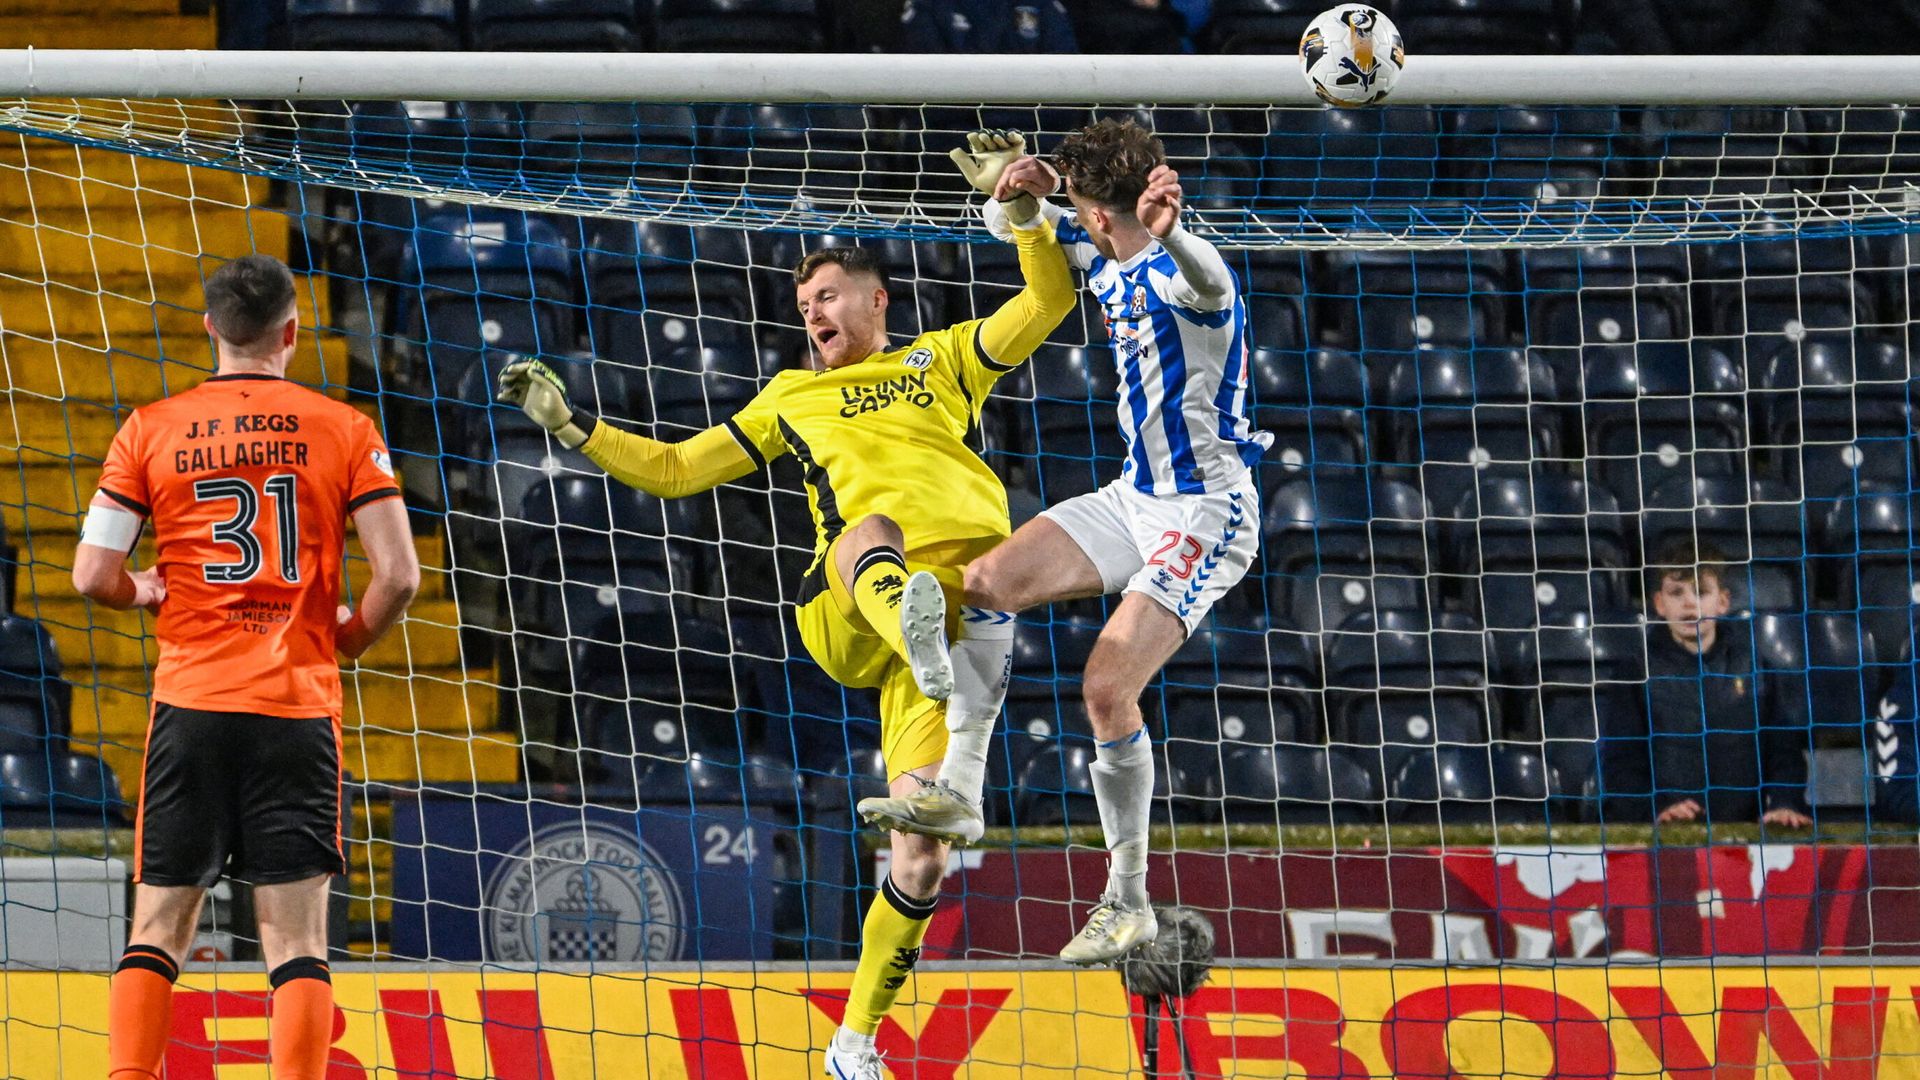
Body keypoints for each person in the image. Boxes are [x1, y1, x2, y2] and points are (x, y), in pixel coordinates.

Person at [496, 129, 1074, 1080]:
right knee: (868, 531)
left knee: (920, 852)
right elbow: (681, 468)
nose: (812, 313)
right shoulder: (790, 396)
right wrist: (574, 425)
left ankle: (852, 1046)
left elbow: (1050, 298)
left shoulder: (944, 361)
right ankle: (914, 621)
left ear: (876, 298)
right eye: (803, 304)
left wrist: (1019, 211)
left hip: (959, 614)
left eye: (827, 296)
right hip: (850, 604)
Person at [74, 254, 420, 1080]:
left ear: (210, 331)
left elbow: (91, 574)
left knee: (157, 931)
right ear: (293, 333)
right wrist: (352, 638)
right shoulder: (345, 427)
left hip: (190, 704)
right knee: (296, 944)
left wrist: (141, 591)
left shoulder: (149, 426)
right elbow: (400, 574)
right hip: (296, 707)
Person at [935, 118, 1268, 965]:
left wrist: (1176, 233)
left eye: (1081, 209)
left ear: (1101, 214)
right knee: (986, 581)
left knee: (1106, 690)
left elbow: (1206, 285)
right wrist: (1017, 191)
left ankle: (1128, 901)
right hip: (1135, 495)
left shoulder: (1190, 268)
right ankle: (960, 791)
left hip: (1204, 511)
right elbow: (1020, 235)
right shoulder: (1106, 258)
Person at [1601, 540, 1812, 829]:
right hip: (1665, 837)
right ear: (1660, 603)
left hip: (1742, 834)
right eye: (1677, 593)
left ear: (1722, 602)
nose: (1689, 603)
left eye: (1701, 592)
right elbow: (1622, 761)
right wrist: (1656, 809)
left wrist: (1785, 803)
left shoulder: (1755, 667)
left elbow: (1783, 748)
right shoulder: (1635, 672)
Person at [897, 0, 1078, 53]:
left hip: (1032, 132)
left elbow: (1068, 79)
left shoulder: (1042, 6)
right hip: (953, 135)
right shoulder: (928, 6)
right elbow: (929, 88)